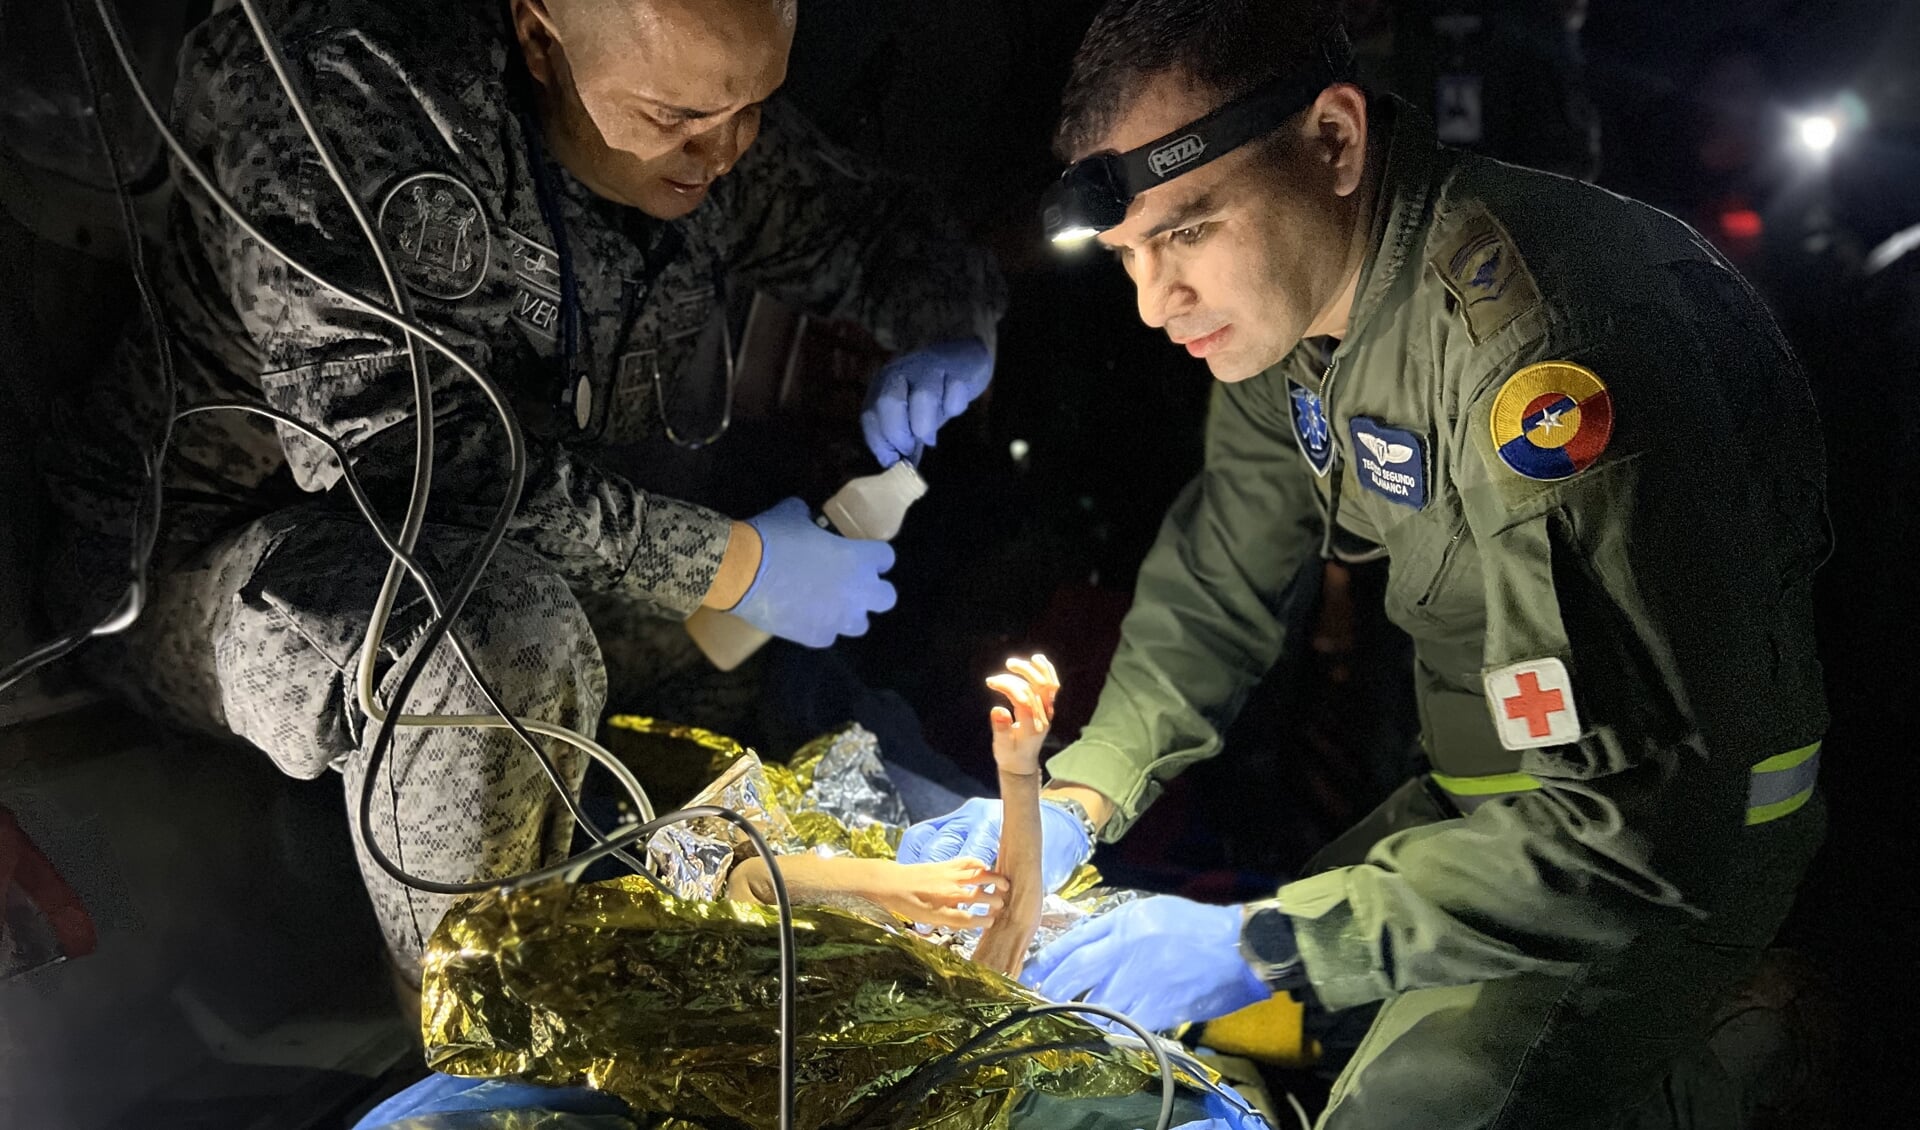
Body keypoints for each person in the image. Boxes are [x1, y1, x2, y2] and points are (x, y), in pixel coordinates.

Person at [899, 1, 1828, 1124]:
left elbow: (1635, 825)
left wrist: (1269, 941)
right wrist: (1082, 793)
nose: (1156, 304)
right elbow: (1219, 580)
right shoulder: (1290, 327)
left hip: (1657, 864)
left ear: (1333, 143)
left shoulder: (1542, 347)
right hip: (1479, 821)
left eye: (1188, 232)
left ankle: (1708, 1061)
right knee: (1135, 1013)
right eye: (1129, 256)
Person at [42, 0, 1004, 985]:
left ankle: (825, 931)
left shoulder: (702, 102)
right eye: (674, 119)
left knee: (721, 653)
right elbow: (403, 457)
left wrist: (945, 328)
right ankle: (490, 1051)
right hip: (216, 553)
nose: (727, 152)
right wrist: (731, 561)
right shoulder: (352, 92)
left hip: (519, 541)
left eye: (756, 104)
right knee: (496, 646)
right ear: (541, 35)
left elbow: (877, 226)